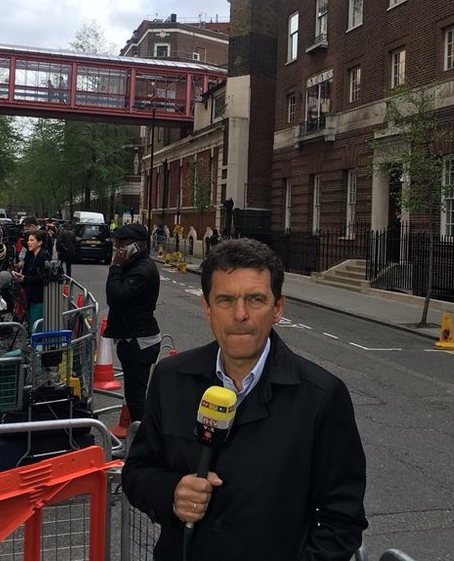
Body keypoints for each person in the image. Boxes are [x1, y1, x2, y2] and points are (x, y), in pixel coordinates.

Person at [123, 238, 367, 560]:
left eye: (255, 299)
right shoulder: (171, 378)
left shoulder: (321, 396)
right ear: (207, 309)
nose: (240, 315)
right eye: (225, 300)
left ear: (277, 309)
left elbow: (342, 520)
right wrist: (172, 493)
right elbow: (137, 472)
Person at [104, 222, 161, 423]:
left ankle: (144, 436)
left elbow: (115, 296)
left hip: (139, 341)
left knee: (136, 398)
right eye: (117, 244)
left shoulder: (143, 270)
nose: (118, 249)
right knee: (133, 394)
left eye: (123, 244)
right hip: (132, 337)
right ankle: (140, 432)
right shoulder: (134, 264)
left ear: (138, 245)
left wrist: (116, 266)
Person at [11, 229, 51, 330]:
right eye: (29, 240)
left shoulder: (44, 256)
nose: (28, 242)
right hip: (31, 296)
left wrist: (25, 279)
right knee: (32, 323)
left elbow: (43, 277)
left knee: (36, 325)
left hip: (39, 297)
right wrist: (21, 277)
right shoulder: (32, 255)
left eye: (32, 240)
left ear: (40, 242)